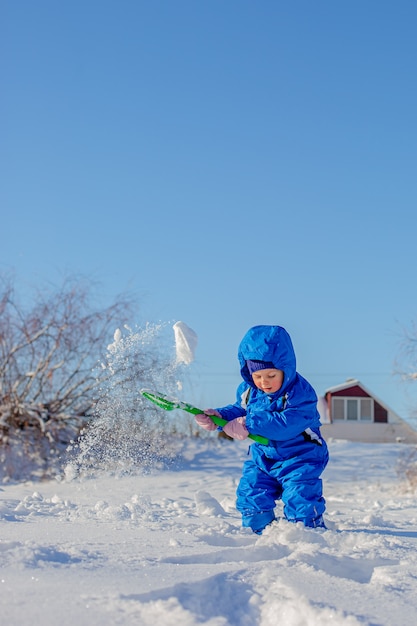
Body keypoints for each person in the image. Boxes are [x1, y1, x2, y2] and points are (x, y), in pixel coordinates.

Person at [195, 325, 329, 534]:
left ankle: (307, 535)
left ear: (286, 368)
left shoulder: (300, 393)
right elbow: (239, 409)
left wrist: (248, 424)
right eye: (257, 376)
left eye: (271, 375)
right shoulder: (249, 392)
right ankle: (259, 533)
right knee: (251, 491)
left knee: (300, 495)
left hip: (302, 456)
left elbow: (286, 424)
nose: (264, 382)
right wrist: (219, 416)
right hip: (264, 456)